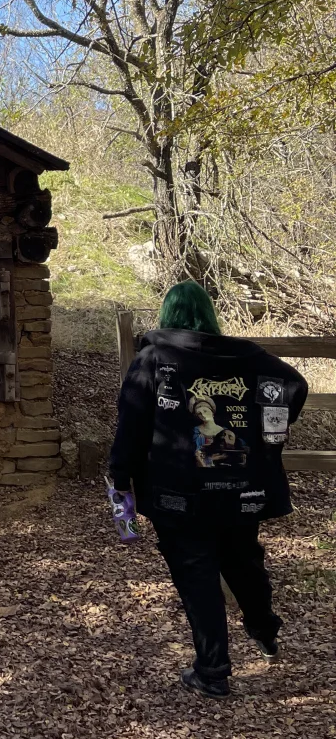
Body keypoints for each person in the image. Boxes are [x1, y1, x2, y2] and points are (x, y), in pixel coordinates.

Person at [108, 280, 308, 698]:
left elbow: (131, 427)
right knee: (242, 559)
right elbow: (295, 385)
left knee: (196, 573)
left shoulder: (153, 360)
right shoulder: (249, 359)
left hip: (179, 494)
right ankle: (264, 629)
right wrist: (270, 429)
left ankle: (213, 670)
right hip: (242, 490)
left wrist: (121, 477)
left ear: (168, 314)